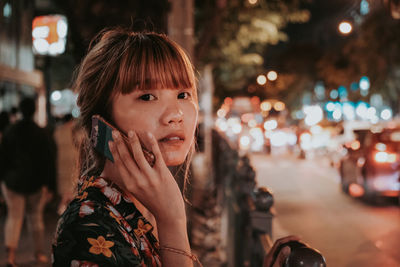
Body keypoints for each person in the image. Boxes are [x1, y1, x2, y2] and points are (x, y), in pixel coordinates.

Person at [52, 28, 296, 267]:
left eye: (183, 94)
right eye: (147, 96)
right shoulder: (88, 227)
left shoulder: (144, 205)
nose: (176, 114)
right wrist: (173, 221)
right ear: (101, 121)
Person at [0, 97, 56, 266]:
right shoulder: (41, 133)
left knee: (14, 217)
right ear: (34, 111)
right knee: (35, 218)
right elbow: (49, 160)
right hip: (36, 183)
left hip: (13, 182)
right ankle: (38, 253)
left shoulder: (10, 131)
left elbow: (3, 159)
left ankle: (11, 256)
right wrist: (51, 185)